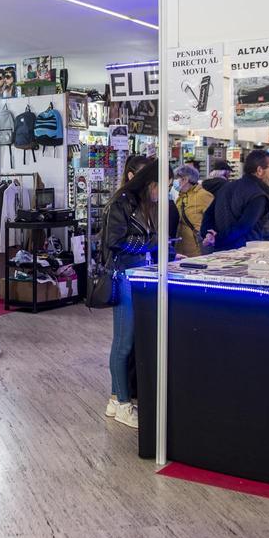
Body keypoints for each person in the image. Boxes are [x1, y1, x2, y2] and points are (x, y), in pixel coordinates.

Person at [101, 159, 162, 429]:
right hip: (124, 276)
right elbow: (114, 241)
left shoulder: (140, 204)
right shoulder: (122, 203)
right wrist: (151, 243)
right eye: (160, 185)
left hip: (136, 276)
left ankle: (117, 399)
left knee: (127, 341)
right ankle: (123, 403)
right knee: (123, 343)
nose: (162, 191)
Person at [200, 150, 269, 252]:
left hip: (219, 252)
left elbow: (208, 215)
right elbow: (243, 227)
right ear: (260, 170)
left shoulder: (226, 187)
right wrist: (217, 240)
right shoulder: (258, 195)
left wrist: (208, 234)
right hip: (245, 253)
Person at [172, 164, 213, 258]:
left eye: (177, 178)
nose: (175, 181)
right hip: (181, 249)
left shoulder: (203, 195)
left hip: (197, 250)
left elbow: (213, 218)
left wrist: (209, 235)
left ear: (185, 179)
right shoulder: (180, 197)